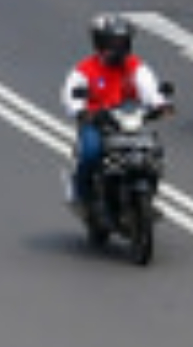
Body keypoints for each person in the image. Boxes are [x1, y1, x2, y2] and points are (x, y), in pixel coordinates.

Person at [61, 14, 171, 209]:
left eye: (122, 42)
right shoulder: (85, 69)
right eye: (112, 42)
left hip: (129, 121)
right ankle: (80, 191)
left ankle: (148, 194)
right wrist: (81, 112)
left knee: (152, 153)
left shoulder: (135, 66)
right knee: (91, 153)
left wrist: (160, 105)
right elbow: (70, 95)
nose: (118, 48)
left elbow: (149, 89)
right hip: (97, 123)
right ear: (100, 43)